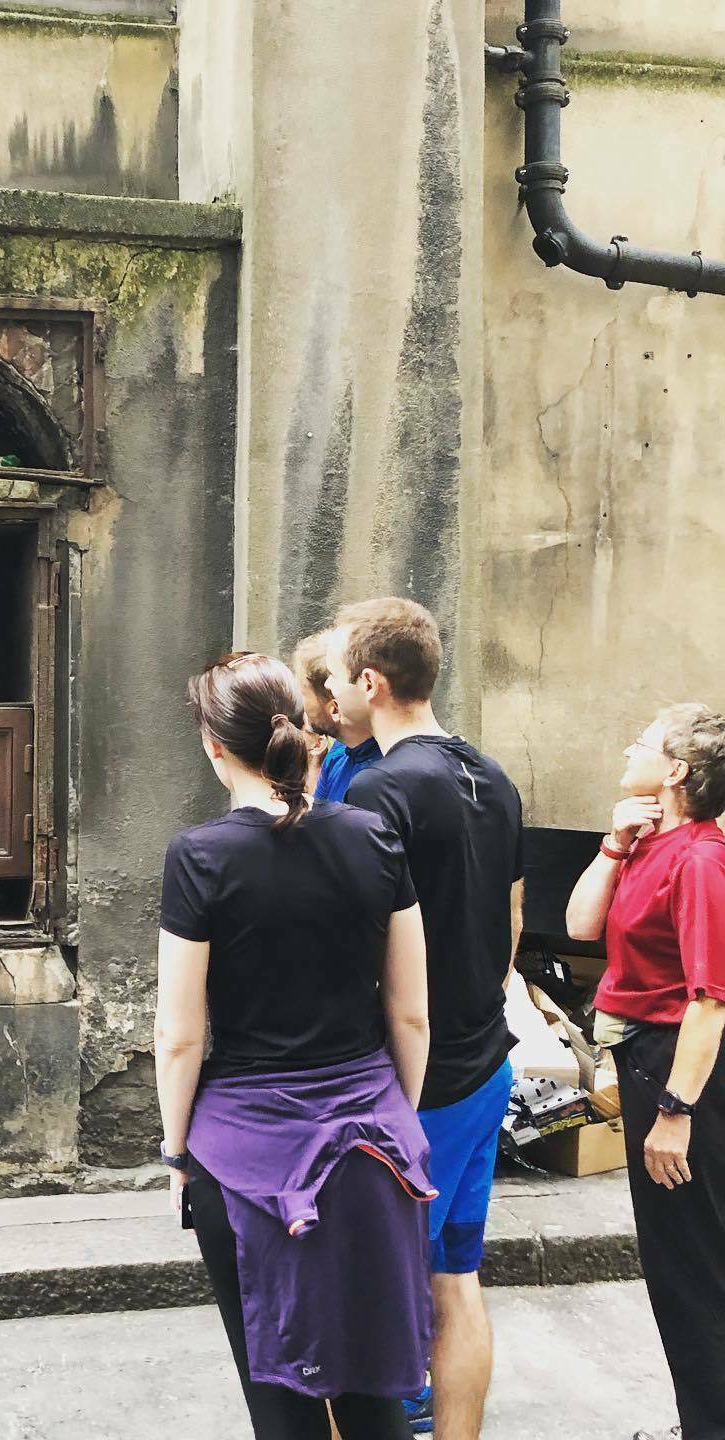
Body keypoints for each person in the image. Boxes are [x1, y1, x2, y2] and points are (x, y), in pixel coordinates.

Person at [155, 650, 435, 1440]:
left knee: (278, 1388)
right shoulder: (374, 836)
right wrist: (395, 1123)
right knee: (375, 1386)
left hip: (244, 1152)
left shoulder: (201, 856)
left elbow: (179, 1033)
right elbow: (411, 1013)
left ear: (213, 746)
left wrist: (176, 1153)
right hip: (372, 1140)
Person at [326, 599, 524, 1440]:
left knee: (363, 1304)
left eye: (337, 680)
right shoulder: (494, 778)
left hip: (415, 1084)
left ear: (372, 682)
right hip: (486, 1064)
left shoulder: (381, 787)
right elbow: (512, 926)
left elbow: (354, 942)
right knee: (456, 1280)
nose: (331, 698)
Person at [565, 704, 725, 1440]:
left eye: (645, 742)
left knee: (692, 1267)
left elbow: (711, 1003)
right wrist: (611, 846)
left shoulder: (700, 860)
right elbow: (578, 928)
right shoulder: (651, 842)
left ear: (678, 773)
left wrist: (674, 1111)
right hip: (649, 1058)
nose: (628, 745)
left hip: (679, 1070)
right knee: (680, 1262)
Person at [293, 629, 381, 802]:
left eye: (302, 693)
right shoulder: (339, 753)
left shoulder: (380, 777)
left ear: (334, 709)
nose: (300, 706)